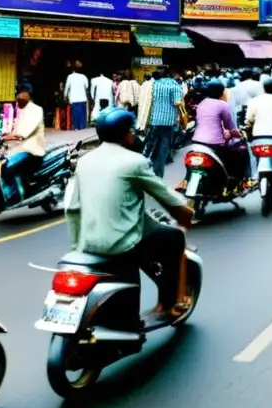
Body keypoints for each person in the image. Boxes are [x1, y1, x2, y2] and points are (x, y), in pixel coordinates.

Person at [65, 110, 194, 323]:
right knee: (175, 238)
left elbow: (73, 208)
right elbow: (165, 195)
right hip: (121, 244)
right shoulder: (135, 162)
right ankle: (168, 305)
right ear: (126, 134)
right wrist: (185, 214)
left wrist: (77, 244)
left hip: (86, 243)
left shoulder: (85, 161)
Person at [191, 80, 248, 186]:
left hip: (196, 141)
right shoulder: (223, 105)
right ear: (222, 92)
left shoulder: (202, 103)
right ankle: (230, 181)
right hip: (215, 143)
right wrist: (237, 133)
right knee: (234, 155)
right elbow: (230, 126)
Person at [1, 87, 46, 203]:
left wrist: (12, 136)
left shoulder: (37, 110)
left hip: (34, 151)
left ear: (27, 96)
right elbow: (15, 127)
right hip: (22, 149)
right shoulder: (21, 111)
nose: (18, 99)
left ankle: (22, 193)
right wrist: (4, 134)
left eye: (20, 96)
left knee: (12, 168)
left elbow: (26, 131)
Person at [148, 70, 184, 178]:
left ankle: (151, 168)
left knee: (153, 146)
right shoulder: (174, 85)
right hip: (167, 122)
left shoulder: (155, 84)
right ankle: (158, 175)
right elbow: (177, 102)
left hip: (155, 120)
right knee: (163, 149)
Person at [63, 63, 89, 131]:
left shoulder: (70, 77)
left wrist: (65, 96)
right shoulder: (83, 76)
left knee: (75, 114)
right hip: (82, 98)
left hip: (74, 99)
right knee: (82, 114)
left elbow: (67, 87)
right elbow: (87, 86)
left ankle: (76, 127)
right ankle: (82, 127)